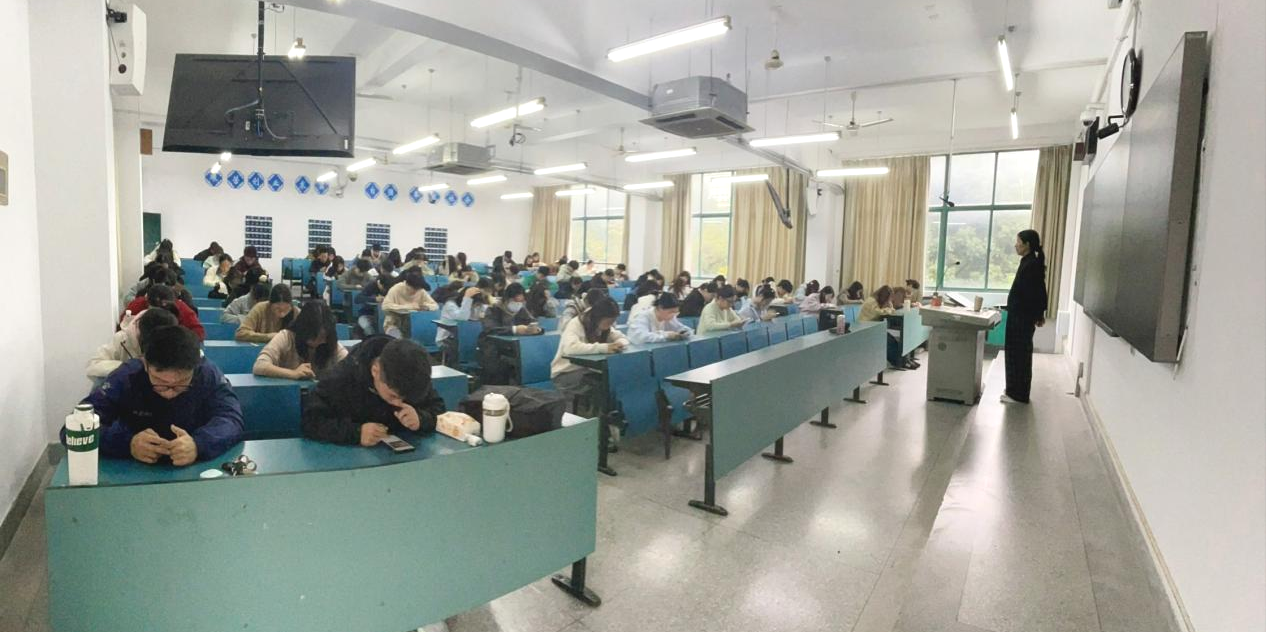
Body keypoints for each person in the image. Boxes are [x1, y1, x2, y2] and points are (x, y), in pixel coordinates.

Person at [68, 325, 243, 466]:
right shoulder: (127, 376)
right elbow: (77, 428)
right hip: (133, 469)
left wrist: (199, 444)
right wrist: (127, 443)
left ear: (195, 368)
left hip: (194, 467)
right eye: (160, 382)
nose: (169, 392)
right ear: (145, 364)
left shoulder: (208, 374)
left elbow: (231, 418)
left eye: (181, 384)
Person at [301, 336, 447, 446]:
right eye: (393, 396)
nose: (399, 403)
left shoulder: (412, 373)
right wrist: (356, 433)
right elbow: (310, 422)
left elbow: (440, 411)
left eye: (405, 398)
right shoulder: (340, 379)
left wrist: (421, 419)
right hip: (352, 462)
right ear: (375, 371)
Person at [550, 294, 628, 416]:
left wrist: (620, 343)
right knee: (600, 385)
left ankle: (605, 419)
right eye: (609, 321)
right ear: (598, 317)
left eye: (612, 321)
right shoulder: (576, 324)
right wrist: (603, 347)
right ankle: (597, 421)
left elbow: (622, 337)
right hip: (565, 373)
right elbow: (571, 348)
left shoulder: (605, 326)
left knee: (612, 380)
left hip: (587, 370)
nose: (611, 324)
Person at [1002, 230, 1049, 405]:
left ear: (1027, 244)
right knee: (1015, 354)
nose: (1016, 245)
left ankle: (1018, 395)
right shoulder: (1028, 261)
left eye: (1018, 242)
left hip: (1022, 318)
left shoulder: (1032, 264)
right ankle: (1013, 389)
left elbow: (1037, 293)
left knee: (1019, 355)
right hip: (1019, 316)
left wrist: (1038, 314)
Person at [252, 300, 348, 380]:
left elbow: (350, 366)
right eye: (315, 336)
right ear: (304, 330)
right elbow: (260, 365)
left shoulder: (331, 343)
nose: (321, 341)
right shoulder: (286, 337)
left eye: (324, 336)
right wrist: (293, 373)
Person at [87, 308, 179, 380]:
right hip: (126, 387)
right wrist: (130, 367)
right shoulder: (122, 339)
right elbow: (93, 366)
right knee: (101, 381)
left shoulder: (175, 340)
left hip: (160, 388)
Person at [479, 283, 543, 383]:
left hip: (515, 348)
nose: (519, 304)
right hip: (494, 349)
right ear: (507, 299)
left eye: (521, 301)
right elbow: (490, 329)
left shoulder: (521, 309)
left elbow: (532, 321)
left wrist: (536, 329)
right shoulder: (494, 309)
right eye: (516, 301)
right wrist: (514, 329)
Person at [122, 283, 206, 341]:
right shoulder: (138, 304)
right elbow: (123, 323)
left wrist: (178, 337)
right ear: (147, 300)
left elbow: (199, 332)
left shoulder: (182, 308)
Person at [860, 286, 914, 370]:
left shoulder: (876, 301)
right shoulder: (871, 301)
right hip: (865, 328)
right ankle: (898, 362)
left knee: (892, 340)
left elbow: (886, 310)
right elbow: (878, 313)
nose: (890, 300)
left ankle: (903, 361)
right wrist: (889, 308)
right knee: (888, 341)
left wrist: (890, 306)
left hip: (873, 328)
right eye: (889, 298)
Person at [434, 283, 486, 367]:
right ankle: (455, 369)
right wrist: (467, 299)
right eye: (474, 304)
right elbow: (463, 318)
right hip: (447, 339)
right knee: (458, 348)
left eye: (477, 305)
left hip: (467, 338)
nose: (475, 307)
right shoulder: (450, 305)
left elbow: (481, 314)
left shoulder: (476, 305)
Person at [380, 269, 439, 339]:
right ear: (407, 284)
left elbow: (435, 306)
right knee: (396, 339)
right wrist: (410, 307)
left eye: (418, 289)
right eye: (414, 288)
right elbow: (385, 306)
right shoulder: (396, 289)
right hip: (395, 323)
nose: (416, 291)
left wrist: (427, 307)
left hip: (414, 323)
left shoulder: (421, 291)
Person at [628, 293, 692, 344]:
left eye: (676, 312)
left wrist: (685, 332)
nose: (673, 315)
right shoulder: (642, 317)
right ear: (660, 308)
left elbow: (680, 328)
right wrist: (666, 335)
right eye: (671, 312)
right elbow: (641, 337)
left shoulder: (670, 318)